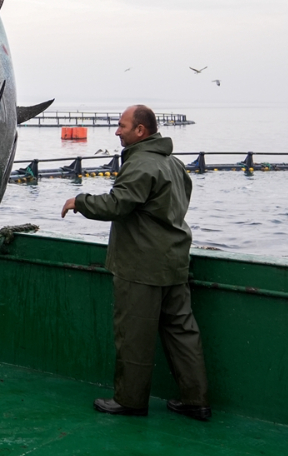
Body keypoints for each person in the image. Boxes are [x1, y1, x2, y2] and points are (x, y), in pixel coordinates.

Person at [61, 104, 211, 421]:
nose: (117, 131)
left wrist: (80, 201)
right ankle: (196, 400)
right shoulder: (175, 164)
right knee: (182, 333)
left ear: (140, 130)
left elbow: (118, 204)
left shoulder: (140, 163)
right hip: (174, 261)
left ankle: (130, 400)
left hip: (141, 266)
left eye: (122, 126)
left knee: (134, 336)